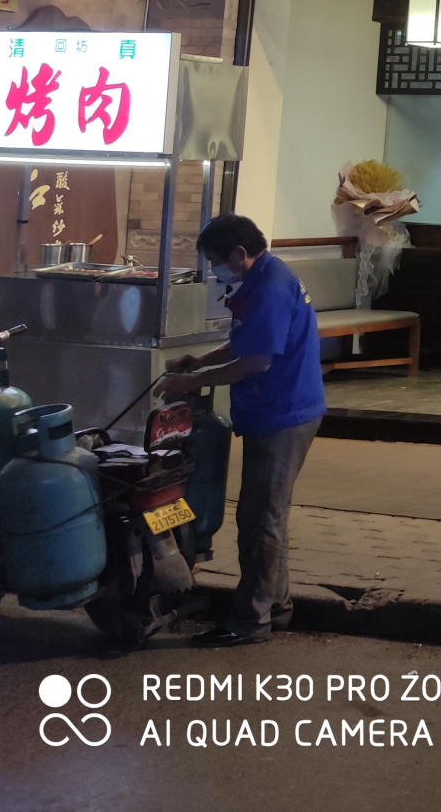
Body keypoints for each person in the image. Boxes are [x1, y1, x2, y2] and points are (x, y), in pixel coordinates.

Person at [159, 214, 325, 647]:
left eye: (217, 262)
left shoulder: (270, 288)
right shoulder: (266, 277)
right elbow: (246, 343)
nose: (216, 270)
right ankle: (277, 607)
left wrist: (191, 382)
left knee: (259, 521)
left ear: (239, 253)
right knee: (266, 518)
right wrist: (201, 361)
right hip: (277, 410)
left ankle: (250, 621)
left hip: (283, 415)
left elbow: (256, 362)